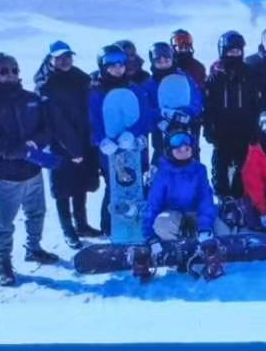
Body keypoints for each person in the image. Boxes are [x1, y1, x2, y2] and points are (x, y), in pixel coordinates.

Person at [0, 52, 60, 286]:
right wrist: (21, 151)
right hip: (3, 174)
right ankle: (3, 263)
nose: (10, 74)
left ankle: (34, 248)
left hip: (32, 169)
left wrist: (35, 144)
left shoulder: (29, 98)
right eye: (3, 70)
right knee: (4, 223)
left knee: (36, 212)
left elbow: (47, 128)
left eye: (14, 70)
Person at [34, 41, 100, 249]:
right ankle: (68, 230)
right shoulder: (45, 85)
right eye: (60, 58)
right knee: (63, 189)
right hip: (59, 145)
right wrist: (73, 149)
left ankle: (82, 224)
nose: (65, 61)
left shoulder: (79, 78)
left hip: (82, 140)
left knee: (80, 184)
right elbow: (55, 121)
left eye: (68, 57)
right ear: (51, 59)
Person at [88, 44, 151, 238]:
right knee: (114, 185)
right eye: (112, 65)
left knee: (135, 184)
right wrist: (100, 140)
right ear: (103, 66)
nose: (117, 68)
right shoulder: (96, 92)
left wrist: (133, 133)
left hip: (133, 147)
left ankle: (137, 225)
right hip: (109, 149)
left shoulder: (134, 89)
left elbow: (145, 117)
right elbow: (91, 120)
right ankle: (110, 227)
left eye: (121, 64)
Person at [203, 31, 263, 199]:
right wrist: (208, 127)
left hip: (244, 129)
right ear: (223, 52)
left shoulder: (249, 74)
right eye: (230, 51)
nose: (234, 55)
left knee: (244, 166)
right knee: (220, 166)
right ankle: (222, 197)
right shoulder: (215, 77)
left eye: (237, 51)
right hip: (222, 131)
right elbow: (208, 106)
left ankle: (239, 197)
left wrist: (256, 128)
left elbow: (256, 103)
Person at [142, 131, 218, 251]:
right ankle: (181, 247)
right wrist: (150, 236)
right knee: (162, 225)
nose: (183, 152)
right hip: (173, 218)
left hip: (195, 215)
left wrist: (205, 227)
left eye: (187, 149)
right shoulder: (163, 174)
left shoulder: (199, 170)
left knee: (222, 229)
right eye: (178, 150)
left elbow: (206, 200)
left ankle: (206, 246)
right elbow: (153, 204)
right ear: (170, 151)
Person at [143, 40, 205, 160]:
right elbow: (146, 110)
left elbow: (196, 100)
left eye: (166, 60)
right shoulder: (150, 84)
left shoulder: (184, 78)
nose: (163, 63)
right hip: (161, 132)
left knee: (189, 158)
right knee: (162, 159)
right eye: (159, 61)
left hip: (186, 128)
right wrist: (161, 115)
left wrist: (187, 113)